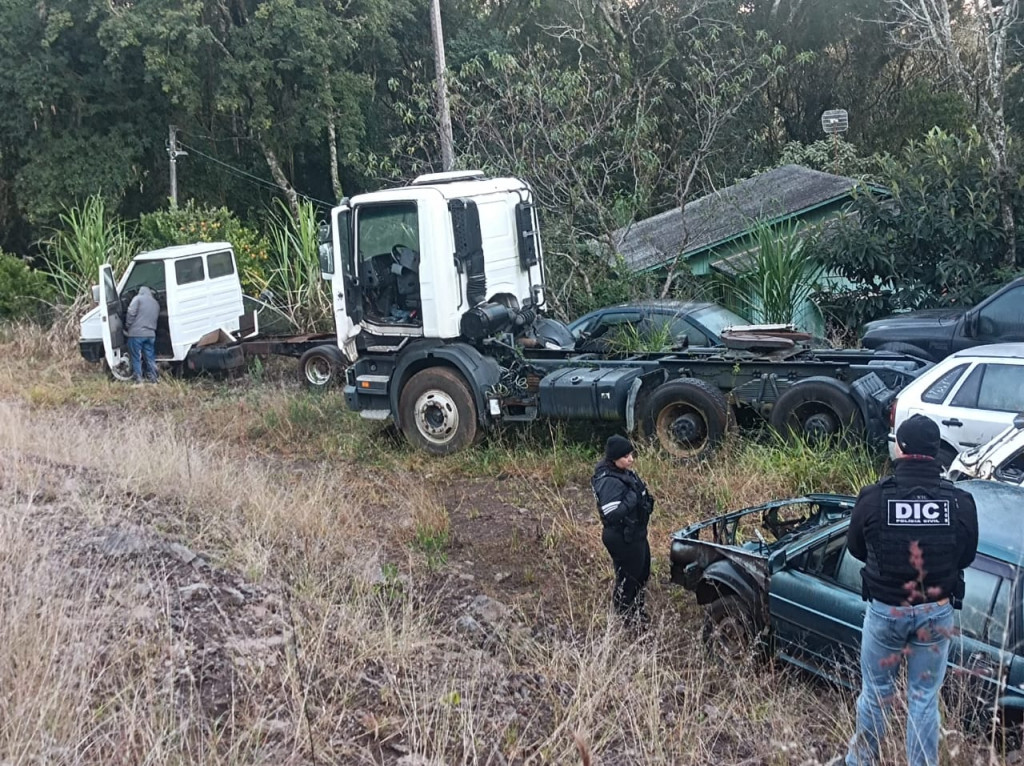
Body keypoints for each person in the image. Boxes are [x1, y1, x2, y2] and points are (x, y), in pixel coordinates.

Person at [842, 414, 978, 766]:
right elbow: (967, 555)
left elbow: (856, 548)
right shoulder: (960, 501)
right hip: (936, 612)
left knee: (875, 692)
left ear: (900, 448)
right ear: (936, 452)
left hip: (886, 611)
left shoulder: (873, 498)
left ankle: (862, 761)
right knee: (923, 698)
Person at [591, 435, 655, 629]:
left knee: (642, 574)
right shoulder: (608, 481)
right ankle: (626, 620)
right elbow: (612, 514)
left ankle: (637, 612)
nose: (631, 459)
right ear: (615, 458)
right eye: (626, 456)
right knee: (628, 579)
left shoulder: (625, 473)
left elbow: (641, 495)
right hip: (622, 538)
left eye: (631, 454)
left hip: (637, 534)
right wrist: (633, 498)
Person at [124, 285, 160, 383]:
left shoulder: (138, 299)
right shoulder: (155, 303)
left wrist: (127, 325)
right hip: (151, 334)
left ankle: (139, 380)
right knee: (150, 357)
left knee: (135, 356)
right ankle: (153, 379)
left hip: (136, 334)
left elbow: (131, 313)